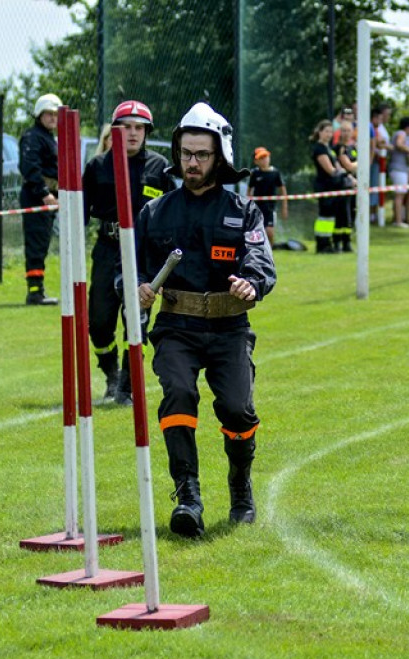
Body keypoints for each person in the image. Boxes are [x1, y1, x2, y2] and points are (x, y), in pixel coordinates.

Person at [132, 102, 277, 537]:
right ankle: (188, 497)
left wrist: (252, 283)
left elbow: (261, 262)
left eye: (202, 155)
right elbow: (132, 266)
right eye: (186, 153)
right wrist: (137, 286)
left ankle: (240, 487)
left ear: (221, 157)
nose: (191, 163)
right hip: (176, 327)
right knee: (177, 394)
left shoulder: (243, 210)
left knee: (237, 409)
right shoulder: (155, 213)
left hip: (230, 329)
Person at [82, 100, 172, 405]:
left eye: (139, 128)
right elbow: (79, 214)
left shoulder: (160, 167)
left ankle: (127, 387)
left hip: (143, 253)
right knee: (98, 322)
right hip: (108, 249)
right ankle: (110, 375)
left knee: (137, 319)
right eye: (126, 127)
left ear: (147, 132)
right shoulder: (96, 166)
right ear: (115, 130)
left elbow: (175, 211)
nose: (133, 133)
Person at [19, 93, 62, 306]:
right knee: (36, 245)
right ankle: (35, 293)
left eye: (56, 114)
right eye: (49, 114)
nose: (53, 118)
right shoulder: (33, 137)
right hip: (38, 197)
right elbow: (30, 167)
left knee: (42, 244)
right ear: (39, 114)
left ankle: (38, 291)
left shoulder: (47, 137)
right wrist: (45, 193)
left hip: (50, 197)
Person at [310, 119, 354, 253]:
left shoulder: (328, 148)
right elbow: (330, 170)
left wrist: (348, 177)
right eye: (326, 131)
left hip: (334, 187)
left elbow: (337, 167)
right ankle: (322, 244)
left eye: (331, 132)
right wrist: (344, 174)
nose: (329, 134)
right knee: (325, 216)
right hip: (325, 186)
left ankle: (330, 243)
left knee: (332, 216)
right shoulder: (319, 149)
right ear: (320, 132)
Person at [246, 147, 288, 246]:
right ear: (256, 161)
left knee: (269, 232)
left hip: (270, 208)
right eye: (261, 158)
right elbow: (249, 191)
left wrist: (284, 207)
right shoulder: (254, 173)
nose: (264, 160)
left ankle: (271, 248)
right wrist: (247, 205)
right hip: (256, 208)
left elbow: (283, 190)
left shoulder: (275, 173)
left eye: (266, 157)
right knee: (255, 232)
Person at [333, 118, 360, 248]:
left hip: (354, 186)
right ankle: (338, 241)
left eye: (348, 130)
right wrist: (359, 164)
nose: (346, 133)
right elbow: (348, 166)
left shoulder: (352, 147)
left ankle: (347, 242)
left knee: (352, 213)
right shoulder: (339, 148)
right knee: (342, 214)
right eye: (343, 130)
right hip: (342, 185)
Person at [389, 117, 409, 228]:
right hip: (398, 168)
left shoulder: (399, 133)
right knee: (399, 195)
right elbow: (399, 144)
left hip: (400, 169)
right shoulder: (401, 133)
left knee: (400, 194)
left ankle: (397, 218)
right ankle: (398, 221)